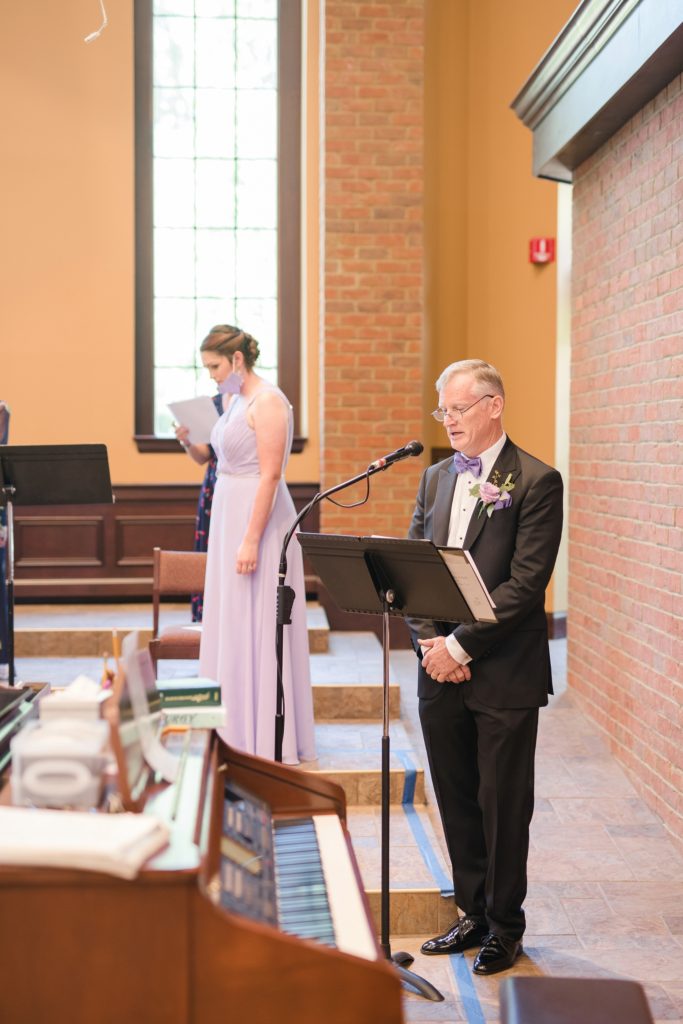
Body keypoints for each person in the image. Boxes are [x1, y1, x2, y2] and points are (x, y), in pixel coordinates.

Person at [407, 359, 563, 976]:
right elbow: (412, 569)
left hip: (503, 672)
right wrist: (431, 645)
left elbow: (525, 584)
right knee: (455, 796)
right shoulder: (434, 478)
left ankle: (504, 925)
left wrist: (461, 647)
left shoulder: (537, 481)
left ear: (494, 406)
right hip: (438, 670)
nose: (448, 421)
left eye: (458, 409)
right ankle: (471, 912)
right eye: (442, 410)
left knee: (502, 803)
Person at [197, 325, 316, 765]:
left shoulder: (268, 401)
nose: (211, 375)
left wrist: (250, 539)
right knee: (232, 620)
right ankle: (233, 729)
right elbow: (220, 458)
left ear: (237, 360)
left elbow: (270, 474)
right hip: (229, 513)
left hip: (260, 522)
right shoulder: (233, 400)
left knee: (258, 622)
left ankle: (264, 735)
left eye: (215, 366)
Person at [174, 358, 229, 622]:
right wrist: (187, 441)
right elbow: (203, 456)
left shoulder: (252, 402)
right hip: (213, 486)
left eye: (214, 366)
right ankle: (206, 617)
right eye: (206, 368)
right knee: (209, 551)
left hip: (239, 484)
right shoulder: (213, 404)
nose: (210, 374)